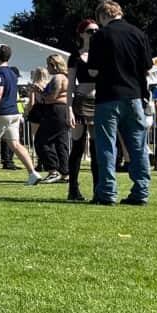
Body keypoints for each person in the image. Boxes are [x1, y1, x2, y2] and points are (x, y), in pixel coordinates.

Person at [87, 0, 154, 205]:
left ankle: (107, 192)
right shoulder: (138, 34)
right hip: (134, 96)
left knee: (107, 145)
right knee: (138, 146)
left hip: (108, 96)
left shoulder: (100, 36)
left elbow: (93, 70)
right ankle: (140, 192)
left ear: (102, 16)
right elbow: (147, 67)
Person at [0, 45, 43, 185]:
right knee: (15, 144)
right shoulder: (12, 73)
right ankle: (32, 173)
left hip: (0, 114)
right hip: (13, 113)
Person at [66, 20, 99, 201]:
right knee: (78, 146)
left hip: (99, 102)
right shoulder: (75, 56)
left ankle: (98, 189)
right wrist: (68, 109)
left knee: (96, 148)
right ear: (82, 34)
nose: (94, 33)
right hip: (80, 102)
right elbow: (70, 86)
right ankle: (73, 189)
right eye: (90, 31)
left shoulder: (103, 55)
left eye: (96, 30)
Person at [34, 54, 72, 185]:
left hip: (55, 111)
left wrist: (39, 91)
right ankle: (65, 172)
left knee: (41, 140)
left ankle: (52, 170)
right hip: (64, 110)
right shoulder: (67, 77)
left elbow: (51, 96)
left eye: (48, 64)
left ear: (54, 65)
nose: (47, 67)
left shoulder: (57, 78)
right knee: (61, 143)